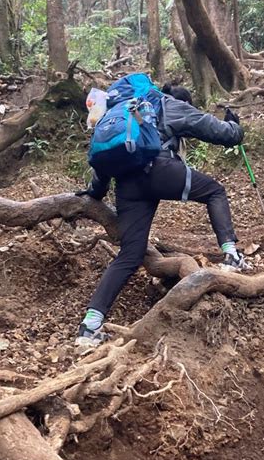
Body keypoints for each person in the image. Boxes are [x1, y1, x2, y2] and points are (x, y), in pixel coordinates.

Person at [78, 83, 249, 340]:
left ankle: (90, 326)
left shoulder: (121, 111)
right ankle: (231, 255)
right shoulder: (168, 104)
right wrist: (235, 127)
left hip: (127, 185)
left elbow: (103, 165)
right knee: (215, 192)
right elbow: (221, 133)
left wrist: (94, 193)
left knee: (129, 254)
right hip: (160, 170)